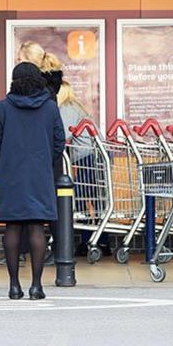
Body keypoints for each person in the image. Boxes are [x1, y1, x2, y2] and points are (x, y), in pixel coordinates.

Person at [0, 63, 66, 300]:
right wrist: (45, 163)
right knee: (36, 227)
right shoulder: (50, 108)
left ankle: (13, 286)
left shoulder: (2, 108)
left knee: (12, 227)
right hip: (39, 174)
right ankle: (36, 286)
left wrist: (0, 168)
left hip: (11, 173)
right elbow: (59, 141)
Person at [58, 81, 108, 254]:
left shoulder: (66, 108)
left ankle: (89, 240)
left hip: (90, 157)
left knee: (79, 197)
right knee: (96, 199)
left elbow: (62, 134)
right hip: (98, 155)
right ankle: (101, 241)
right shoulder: (76, 106)